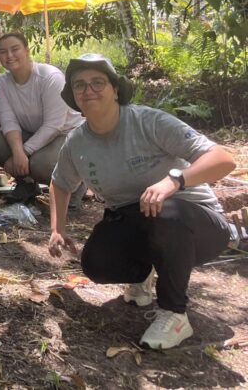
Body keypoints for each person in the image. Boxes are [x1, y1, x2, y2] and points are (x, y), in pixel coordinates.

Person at [48, 53, 235, 350]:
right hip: (133, 220)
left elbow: (224, 159)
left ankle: (174, 314)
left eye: (98, 82)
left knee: (165, 213)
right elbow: (59, 183)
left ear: (115, 89)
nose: (89, 90)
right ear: (73, 95)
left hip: (195, 224)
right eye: (79, 85)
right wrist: (57, 229)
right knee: (97, 265)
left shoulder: (148, 121)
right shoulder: (77, 142)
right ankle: (143, 274)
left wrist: (174, 180)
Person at [0, 32, 84, 203]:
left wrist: (22, 152)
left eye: (15, 49)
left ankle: (76, 186)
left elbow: (54, 125)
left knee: (39, 164)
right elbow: (8, 121)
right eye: (3, 52)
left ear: (27, 50)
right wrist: (17, 151)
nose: (9, 55)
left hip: (65, 134)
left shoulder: (49, 77)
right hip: (32, 132)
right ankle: (26, 184)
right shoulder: (1, 83)